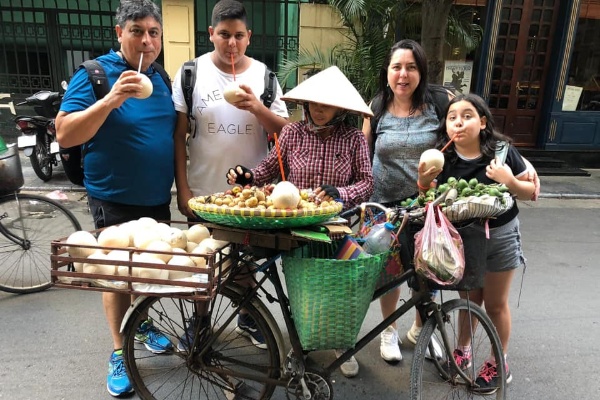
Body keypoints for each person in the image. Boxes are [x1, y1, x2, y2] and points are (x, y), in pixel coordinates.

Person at [55, 1, 175, 397]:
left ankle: (140, 323)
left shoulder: (161, 77)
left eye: (153, 32)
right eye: (137, 30)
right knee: (117, 275)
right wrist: (109, 101)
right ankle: (119, 349)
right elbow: (65, 134)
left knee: (148, 271)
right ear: (118, 33)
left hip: (156, 196)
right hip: (113, 196)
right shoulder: (94, 74)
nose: (146, 40)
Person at [226, 65, 374, 377]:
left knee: (338, 289)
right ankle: (301, 343)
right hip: (297, 229)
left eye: (327, 104)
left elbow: (366, 183)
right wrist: (246, 176)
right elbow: (265, 171)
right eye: (314, 103)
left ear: (340, 108)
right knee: (302, 291)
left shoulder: (353, 139)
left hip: (339, 228)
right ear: (305, 104)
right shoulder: (292, 133)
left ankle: (341, 344)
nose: (319, 110)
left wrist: (340, 192)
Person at [170, 0, 289, 349]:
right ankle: (201, 321)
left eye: (239, 36)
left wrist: (256, 106)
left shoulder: (264, 76)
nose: (231, 43)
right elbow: (179, 135)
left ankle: (247, 316)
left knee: (246, 261)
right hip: (205, 190)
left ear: (249, 37)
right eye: (224, 35)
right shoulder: (190, 73)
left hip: (251, 195)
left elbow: (285, 132)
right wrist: (183, 189)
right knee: (204, 261)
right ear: (211, 34)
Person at [417, 93, 535, 393]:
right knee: (469, 301)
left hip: (501, 235)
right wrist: (422, 181)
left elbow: (530, 193)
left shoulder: (502, 152)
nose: (459, 121)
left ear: (482, 122)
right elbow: (426, 198)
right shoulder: (443, 157)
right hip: (463, 238)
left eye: (467, 115)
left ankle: (499, 361)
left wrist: (508, 180)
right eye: (452, 116)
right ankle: (463, 350)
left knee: (495, 305)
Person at [362, 39, 451, 364]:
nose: (403, 74)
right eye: (397, 67)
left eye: (411, 67)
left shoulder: (439, 104)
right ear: (387, 72)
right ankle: (389, 331)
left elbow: (469, 134)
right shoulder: (376, 108)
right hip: (383, 206)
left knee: (427, 269)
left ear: (421, 71)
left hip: (427, 206)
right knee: (388, 271)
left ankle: (421, 328)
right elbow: (364, 155)